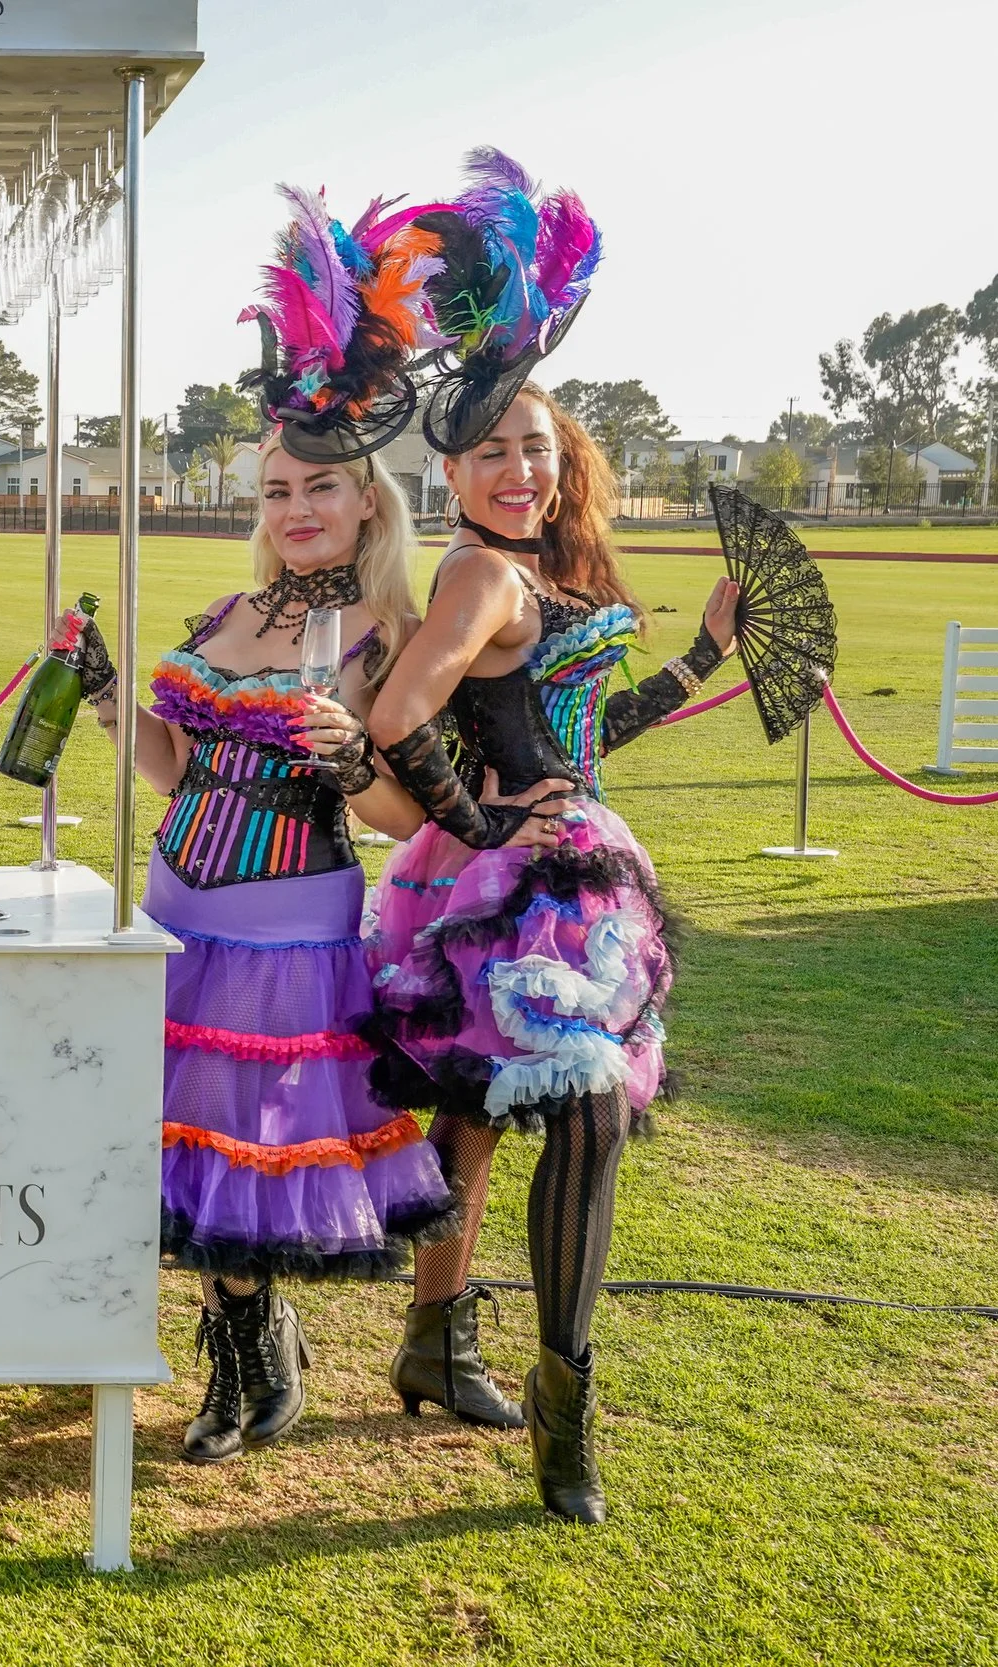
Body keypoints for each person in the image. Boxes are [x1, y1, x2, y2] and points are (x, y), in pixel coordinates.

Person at [364, 151, 737, 1523]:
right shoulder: (477, 567)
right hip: (511, 889)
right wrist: (482, 831)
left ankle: (438, 1341)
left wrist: (697, 660)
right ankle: (565, 1418)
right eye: (490, 450)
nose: (519, 468)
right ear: (450, 467)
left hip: (576, 873)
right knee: (581, 1111)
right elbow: (401, 714)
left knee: (476, 1119)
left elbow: (574, 737)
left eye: (536, 444)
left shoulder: (548, 569)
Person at [86, 190, 473, 1461]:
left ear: (367, 499)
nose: (295, 504)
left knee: (254, 1147)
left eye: (319, 485)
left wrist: (354, 751)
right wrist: (99, 690)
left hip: (291, 919)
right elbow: (166, 768)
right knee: (187, 1144)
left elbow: (404, 812)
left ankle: (248, 1357)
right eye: (275, 486)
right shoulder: (218, 623)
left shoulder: (386, 635)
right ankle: (245, 1349)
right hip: (176, 906)